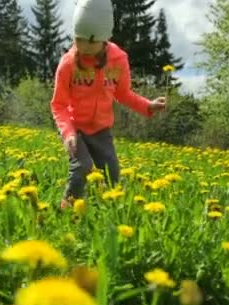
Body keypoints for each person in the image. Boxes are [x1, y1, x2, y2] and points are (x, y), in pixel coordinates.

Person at [51, 0, 166, 209]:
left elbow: (123, 94)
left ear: (105, 38)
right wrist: (67, 133)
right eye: (79, 40)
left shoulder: (119, 60)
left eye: (90, 44)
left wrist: (147, 106)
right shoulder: (67, 64)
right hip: (76, 129)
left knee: (113, 175)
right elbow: (58, 104)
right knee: (82, 167)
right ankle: (66, 211)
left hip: (101, 130)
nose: (84, 48)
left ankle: (109, 212)